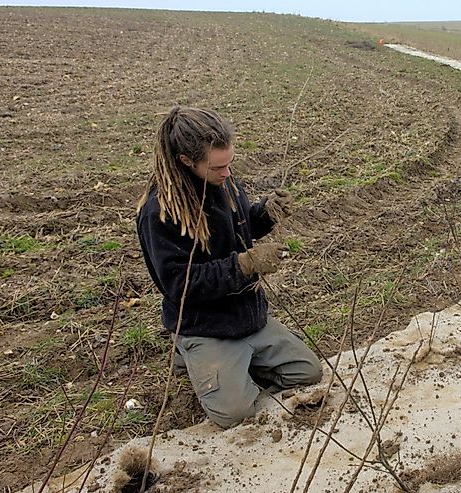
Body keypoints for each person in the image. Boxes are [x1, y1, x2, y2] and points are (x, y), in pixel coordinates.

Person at [136, 106, 322, 428]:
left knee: (308, 372)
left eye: (230, 162)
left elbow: (238, 227)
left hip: (247, 316)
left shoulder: (224, 182)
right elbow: (181, 284)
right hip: (206, 326)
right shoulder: (161, 212)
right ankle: (189, 354)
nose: (228, 173)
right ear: (185, 161)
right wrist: (245, 265)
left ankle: (237, 365)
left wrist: (265, 214)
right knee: (236, 415)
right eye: (218, 167)